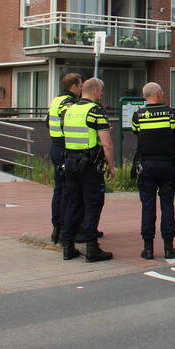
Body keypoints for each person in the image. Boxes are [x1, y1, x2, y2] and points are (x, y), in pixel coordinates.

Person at [132, 81, 175, 260]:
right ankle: (168, 248)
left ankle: (148, 249)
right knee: (167, 204)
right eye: (162, 91)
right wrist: (172, 141)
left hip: (146, 166)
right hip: (166, 166)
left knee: (147, 206)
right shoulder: (170, 114)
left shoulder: (138, 115)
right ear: (157, 93)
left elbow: (137, 133)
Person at [60, 77, 115, 263]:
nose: (101, 95)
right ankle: (92, 248)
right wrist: (111, 165)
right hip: (89, 165)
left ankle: (68, 246)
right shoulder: (95, 111)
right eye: (100, 92)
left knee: (73, 204)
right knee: (93, 204)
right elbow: (107, 144)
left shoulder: (69, 110)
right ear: (95, 92)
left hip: (70, 163)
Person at [47, 73, 82, 245]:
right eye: (80, 85)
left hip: (55, 146)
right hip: (64, 149)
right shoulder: (68, 103)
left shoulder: (55, 100)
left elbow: (48, 122)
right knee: (67, 191)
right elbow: (70, 123)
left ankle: (56, 229)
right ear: (75, 86)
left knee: (59, 189)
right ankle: (64, 231)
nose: (82, 88)